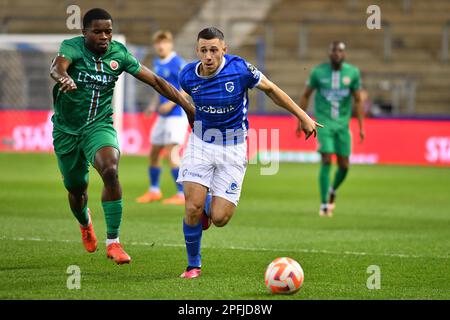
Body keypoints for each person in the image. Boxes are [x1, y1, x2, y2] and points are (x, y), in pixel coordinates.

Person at [49, 8, 194, 264]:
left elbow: (157, 82)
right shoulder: (71, 47)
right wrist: (63, 77)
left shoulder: (119, 54)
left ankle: (113, 242)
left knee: (110, 169)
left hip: (99, 126)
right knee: (76, 189)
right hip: (66, 130)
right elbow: (57, 67)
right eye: (97, 32)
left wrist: (186, 104)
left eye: (108, 31)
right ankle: (85, 223)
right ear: (84, 33)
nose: (104, 36)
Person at [176, 27, 322, 278]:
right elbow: (184, 99)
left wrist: (302, 115)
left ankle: (208, 207)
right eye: (203, 50)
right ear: (197, 51)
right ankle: (193, 265)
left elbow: (272, 90)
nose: (208, 56)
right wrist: (190, 115)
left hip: (234, 148)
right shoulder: (187, 75)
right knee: (192, 207)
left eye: (213, 50)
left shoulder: (240, 69)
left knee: (220, 218)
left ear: (224, 49)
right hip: (200, 144)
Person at [299, 41, 364, 217]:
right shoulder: (318, 73)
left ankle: (333, 189)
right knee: (326, 159)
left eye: (340, 51)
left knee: (344, 166)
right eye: (334, 51)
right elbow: (306, 95)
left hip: (343, 126)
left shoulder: (353, 73)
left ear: (345, 54)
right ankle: (324, 203)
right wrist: (301, 119)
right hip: (323, 124)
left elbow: (358, 100)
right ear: (329, 54)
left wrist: (360, 126)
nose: (337, 54)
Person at [136, 30, 189, 206]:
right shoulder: (157, 63)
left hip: (176, 116)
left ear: (170, 44)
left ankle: (182, 194)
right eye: (158, 43)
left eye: (164, 42)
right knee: (153, 153)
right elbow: (159, 88)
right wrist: (153, 105)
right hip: (162, 116)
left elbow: (187, 87)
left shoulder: (178, 63)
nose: (160, 46)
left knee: (171, 153)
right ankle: (154, 190)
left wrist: (172, 103)